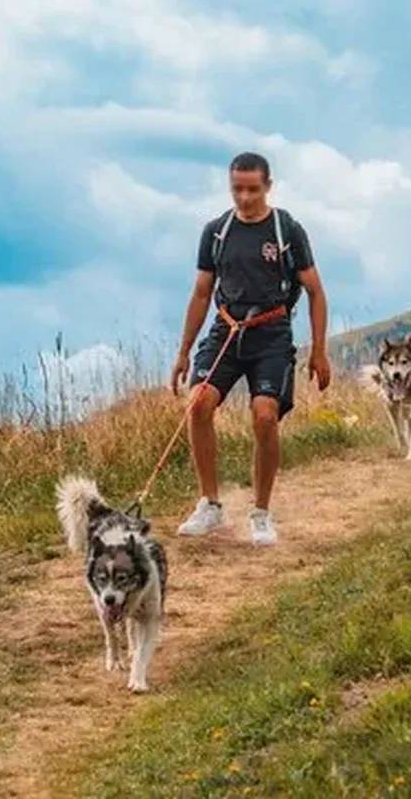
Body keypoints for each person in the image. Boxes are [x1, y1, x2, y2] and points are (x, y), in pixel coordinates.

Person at [169, 152, 331, 545]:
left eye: (252, 189)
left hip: (271, 331)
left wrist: (319, 350)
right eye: (237, 189)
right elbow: (202, 292)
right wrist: (184, 351)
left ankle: (260, 513)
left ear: (268, 186)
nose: (244, 198)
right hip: (225, 330)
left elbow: (315, 290)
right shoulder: (216, 232)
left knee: (264, 415)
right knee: (199, 402)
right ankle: (210, 505)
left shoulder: (286, 229)